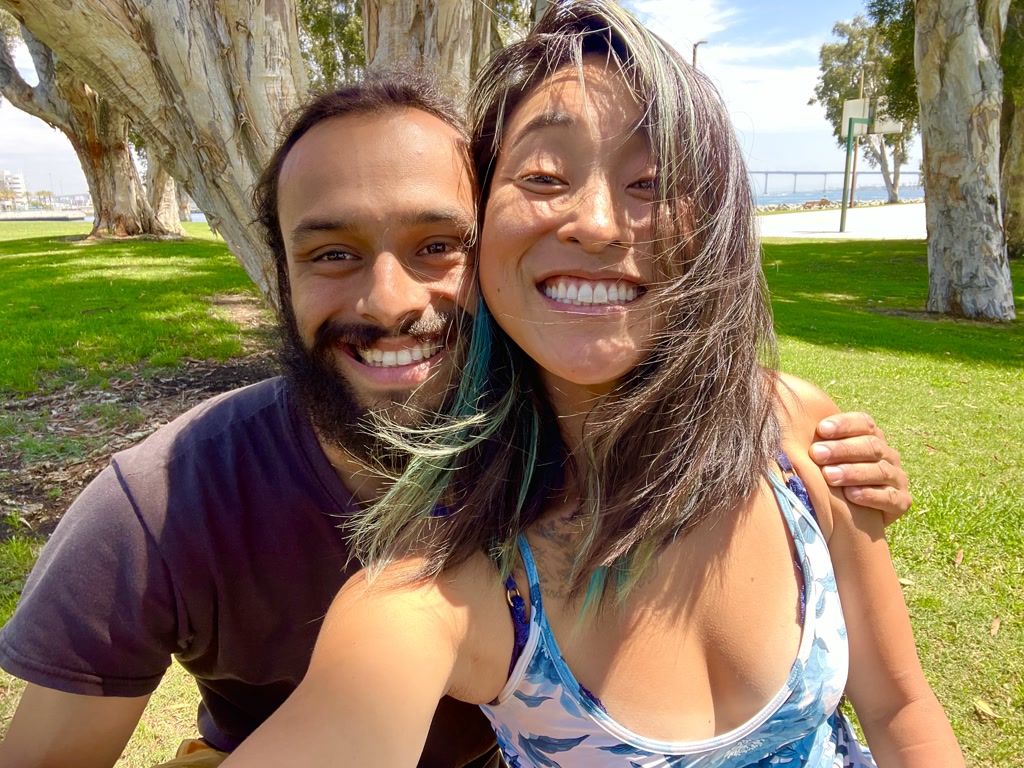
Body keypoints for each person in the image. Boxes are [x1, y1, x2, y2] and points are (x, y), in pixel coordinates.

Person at [0, 68, 910, 768]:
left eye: (439, 246)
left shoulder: (593, 425)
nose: (391, 301)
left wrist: (811, 443)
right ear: (279, 276)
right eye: (332, 253)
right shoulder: (156, 508)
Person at [219, 3, 963, 767]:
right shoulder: (449, 583)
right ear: (479, 240)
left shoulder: (798, 431)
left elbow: (901, 709)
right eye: (543, 176)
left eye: (652, 180)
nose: (599, 224)